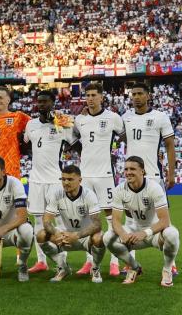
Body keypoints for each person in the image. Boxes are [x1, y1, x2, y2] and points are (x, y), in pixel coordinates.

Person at [73, 82, 125, 276]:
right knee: (87, 220)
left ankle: (114, 262)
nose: (90, 98)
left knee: (112, 218)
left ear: (102, 97)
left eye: (94, 95)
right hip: (85, 175)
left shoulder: (113, 118)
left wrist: (114, 154)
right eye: (87, 95)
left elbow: (125, 137)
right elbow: (73, 140)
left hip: (105, 175)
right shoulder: (80, 119)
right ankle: (89, 261)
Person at [103, 156, 179, 287]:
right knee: (107, 237)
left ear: (142, 171)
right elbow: (115, 220)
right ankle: (134, 267)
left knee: (172, 234)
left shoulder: (154, 188)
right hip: (134, 232)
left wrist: (145, 233)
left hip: (155, 233)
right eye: (126, 169)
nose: (128, 172)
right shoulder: (119, 190)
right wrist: (123, 234)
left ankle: (167, 270)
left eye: (132, 169)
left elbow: (165, 221)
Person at [23, 89, 76, 274]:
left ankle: (62, 261)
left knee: (59, 220)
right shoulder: (31, 124)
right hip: (36, 181)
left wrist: (62, 120)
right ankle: (41, 261)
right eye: (39, 101)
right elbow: (25, 145)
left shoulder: (62, 122)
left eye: (45, 101)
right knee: (38, 220)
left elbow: (76, 143)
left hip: (55, 180)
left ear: (53, 103)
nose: (41, 104)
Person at [37, 165, 105, 283]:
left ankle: (95, 268)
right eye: (63, 179)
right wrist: (56, 233)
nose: (66, 183)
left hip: (85, 237)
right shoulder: (57, 194)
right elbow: (46, 221)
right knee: (41, 235)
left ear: (80, 180)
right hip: (64, 236)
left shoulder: (89, 195)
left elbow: (97, 224)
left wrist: (77, 235)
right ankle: (63, 267)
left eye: (70, 179)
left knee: (99, 237)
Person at [122, 81, 177, 191]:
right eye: (134, 94)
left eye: (140, 93)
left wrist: (171, 174)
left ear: (148, 96)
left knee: (159, 204)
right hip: (131, 176)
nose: (136, 97)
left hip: (153, 175)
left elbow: (170, 146)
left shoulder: (160, 117)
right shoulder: (124, 117)